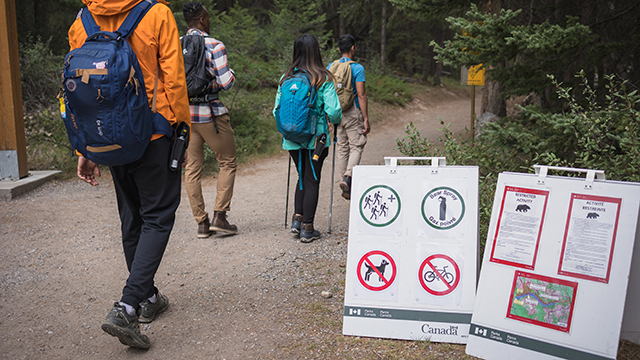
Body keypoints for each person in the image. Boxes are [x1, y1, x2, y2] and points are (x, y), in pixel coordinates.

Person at [69, 0, 190, 349]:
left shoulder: (82, 20)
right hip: (152, 133)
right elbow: (174, 80)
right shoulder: (156, 14)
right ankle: (127, 305)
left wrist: (85, 149)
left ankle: (149, 298)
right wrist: (181, 131)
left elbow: (81, 94)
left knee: (131, 217)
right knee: (158, 216)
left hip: (108, 137)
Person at [273, 34, 342, 242]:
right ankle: (308, 228)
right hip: (316, 140)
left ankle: (297, 219)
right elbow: (335, 110)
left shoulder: (286, 78)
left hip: (292, 139)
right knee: (312, 179)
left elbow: (276, 109)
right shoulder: (323, 78)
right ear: (316, 51)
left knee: (301, 176)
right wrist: (333, 121)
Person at [182, 2, 239, 238]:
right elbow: (226, 82)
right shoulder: (214, 44)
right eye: (208, 16)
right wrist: (230, 74)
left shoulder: (176, 45)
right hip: (211, 114)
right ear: (203, 20)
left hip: (186, 116)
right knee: (227, 162)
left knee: (192, 169)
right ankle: (220, 217)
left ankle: (202, 223)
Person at [328, 34, 370, 200]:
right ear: (353, 48)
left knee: (342, 147)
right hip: (353, 112)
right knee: (357, 145)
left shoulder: (331, 66)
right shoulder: (357, 68)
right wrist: (365, 118)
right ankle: (348, 177)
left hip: (337, 112)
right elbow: (361, 94)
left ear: (339, 49)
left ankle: (344, 185)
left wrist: (328, 115)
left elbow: (327, 92)